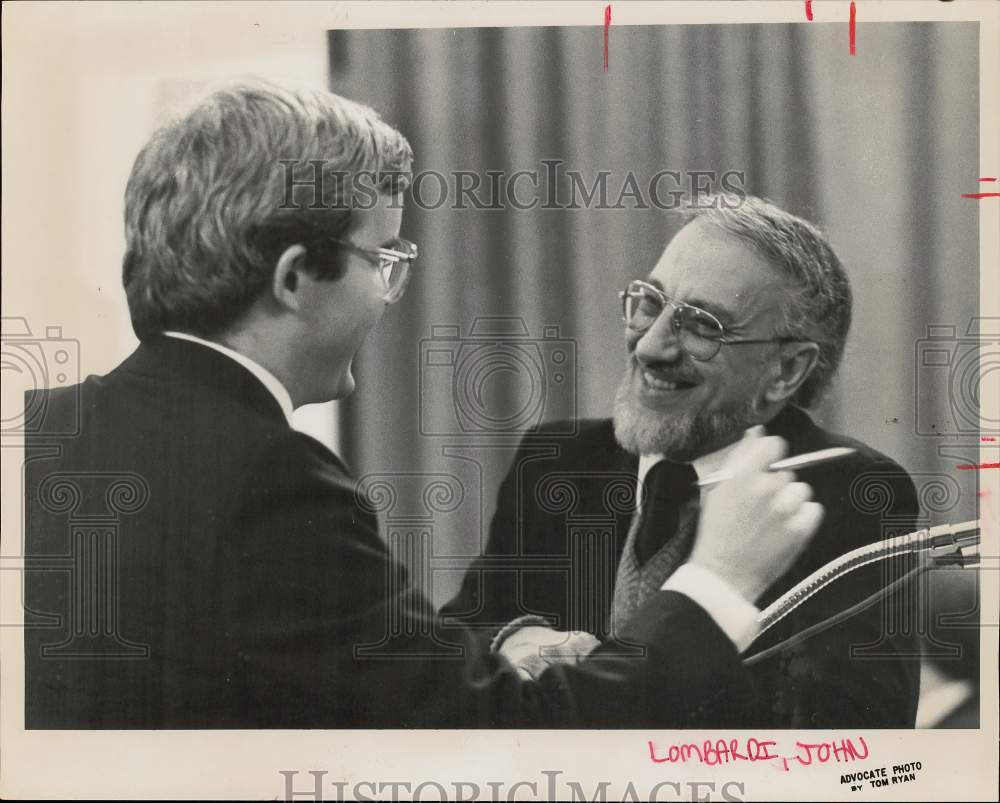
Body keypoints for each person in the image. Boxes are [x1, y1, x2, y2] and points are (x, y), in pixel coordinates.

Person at [22, 81, 823, 729]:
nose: (389, 297)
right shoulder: (273, 479)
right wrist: (718, 580)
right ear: (296, 276)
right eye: (385, 260)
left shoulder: (41, 430)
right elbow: (498, 737)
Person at [443, 196, 922, 728]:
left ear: (786, 370)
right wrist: (518, 639)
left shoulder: (845, 491)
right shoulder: (557, 462)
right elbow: (455, 641)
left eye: (701, 326)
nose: (649, 346)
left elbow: (855, 740)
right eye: (650, 302)